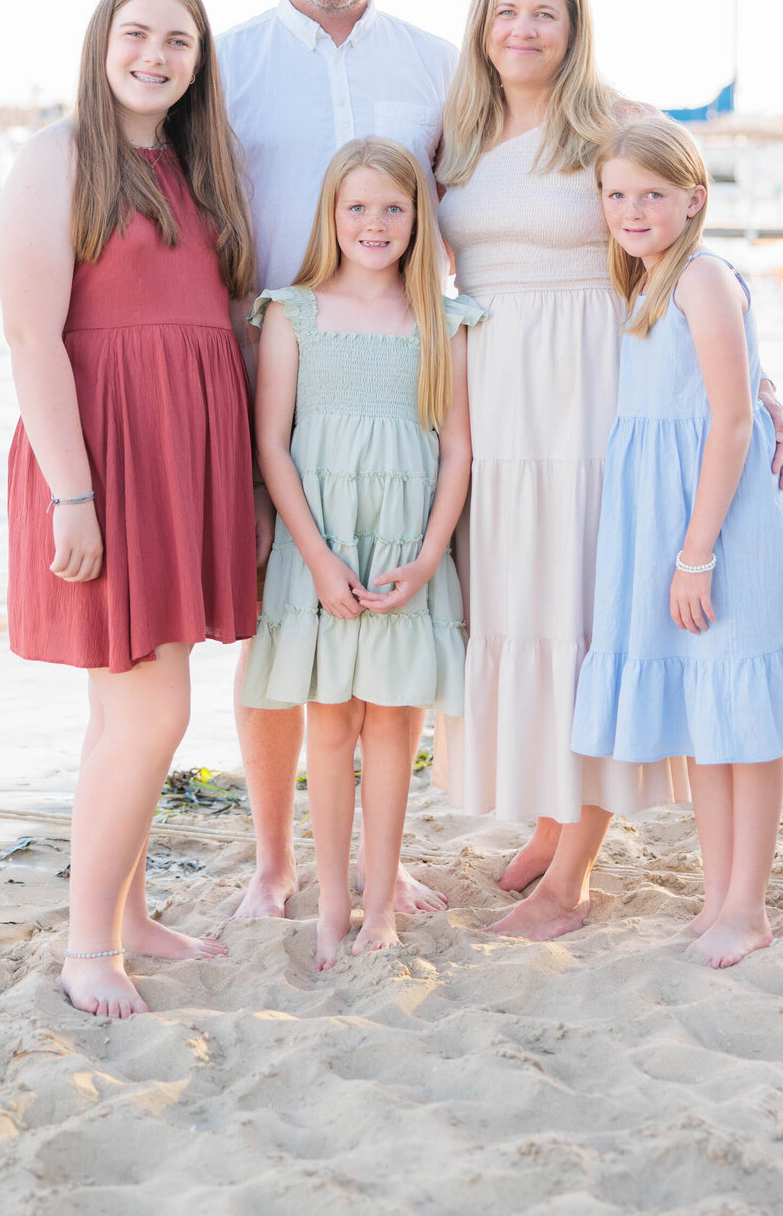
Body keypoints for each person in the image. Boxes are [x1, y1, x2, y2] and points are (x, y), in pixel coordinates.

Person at [435, 0, 783, 940]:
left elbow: (680, 240)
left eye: (544, 11)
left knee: (587, 616)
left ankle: (572, 878)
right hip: (497, 397)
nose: (523, 29)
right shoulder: (456, 129)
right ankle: (553, 818)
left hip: (594, 388)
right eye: (506, 9)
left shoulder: (616, 123)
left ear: (574, 23)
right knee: (520, 603)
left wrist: (752, 381)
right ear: (483, 20)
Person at [0, 0, 263, 1019]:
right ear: (103, 41)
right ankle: (88, 943)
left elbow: (224, 325)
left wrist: (239, 482)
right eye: (138, 33)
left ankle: (133, 911)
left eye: (180, 41)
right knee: (151, 708)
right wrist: (74, 491)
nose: (156, 55)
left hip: (186, 458)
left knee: (128, 709)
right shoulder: (58, 156)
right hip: (103, 457)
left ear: (200, 62)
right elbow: (31, 336)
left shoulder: (199, 167)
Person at [217, 0, 457, 921]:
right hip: (264, 369)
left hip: (397, 381)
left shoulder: (439, 65)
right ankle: (276, 858)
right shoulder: (227, 63)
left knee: (384, 645)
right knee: (282, 632)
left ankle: (381, 860)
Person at [571, 118, 783, 967]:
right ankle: (718, 893)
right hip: (675, 513)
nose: (631, 209)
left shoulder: (698, 274)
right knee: (709, 716)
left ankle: (748, 905)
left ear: (694, 199)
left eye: (652, 194)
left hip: (720, 521)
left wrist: (695, 552)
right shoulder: (652, 278)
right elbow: (732, 381)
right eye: (616, 194)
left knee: (743, 713)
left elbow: (729, 420)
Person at [241, 139, 481, 968]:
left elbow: (456, 450)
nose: (374, 223)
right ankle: (332, 900)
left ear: (419, 218)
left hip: (406, 549)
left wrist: (429, 555)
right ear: (330, 215)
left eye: (393, 208)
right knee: (331, 725)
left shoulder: (441, 319)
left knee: (393, 727)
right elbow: (272, 445)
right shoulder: (293, 310)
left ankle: (381, 902)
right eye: (357, 207)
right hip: (325, 549)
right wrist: (314, 556)